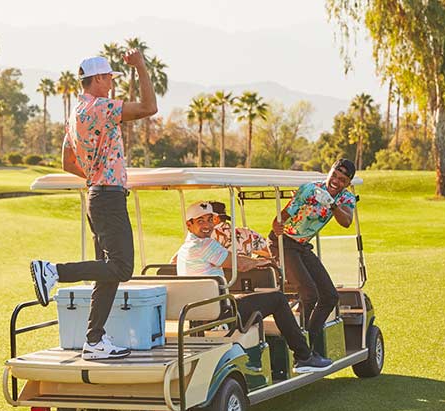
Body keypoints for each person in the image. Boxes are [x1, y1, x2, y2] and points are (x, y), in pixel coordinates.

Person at [29, 50, 157, 360]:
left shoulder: (76, 114)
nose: (112, 82)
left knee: (108, 272)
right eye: (110, 78)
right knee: (122, 267)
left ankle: (95, 340)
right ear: (97, 79)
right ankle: (52, 271)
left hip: (97, 195)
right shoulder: (101, 107)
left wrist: (96, 174)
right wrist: (140, 65)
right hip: (109, 197)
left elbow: (66, 161)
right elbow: (149, 107)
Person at [177, 201, 333, 373]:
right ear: (189, 224)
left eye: (209, 220)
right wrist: (266, 261)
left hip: (200, 314)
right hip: (222, 316)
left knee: (249, 300)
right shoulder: (205, 245)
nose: (207, 225)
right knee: (279, 299)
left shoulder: (184, 249)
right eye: (201, 221)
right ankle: (304, 357)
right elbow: (240, 264)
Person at [269, 158, 357, 335]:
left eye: (342, 180)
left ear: (348, 183)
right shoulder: (309, 190)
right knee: (309, 294)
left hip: (301, 246)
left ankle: (311, 338)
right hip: (283, 242)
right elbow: (282, 217)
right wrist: (276, 224)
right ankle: (298, 341)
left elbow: (346, 221)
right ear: (330, 172)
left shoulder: (346, 198)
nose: (336, 181)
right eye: (334, 175)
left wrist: (331, 204)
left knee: (330, 297)